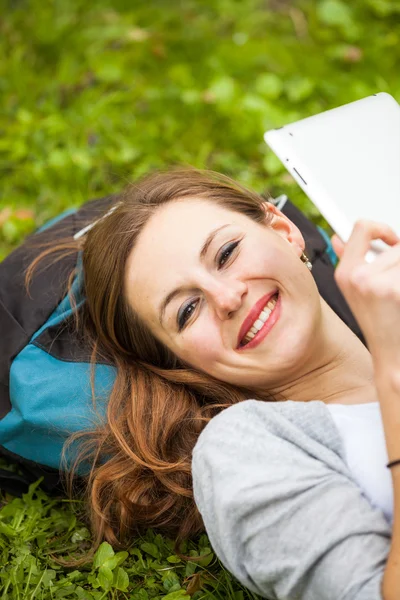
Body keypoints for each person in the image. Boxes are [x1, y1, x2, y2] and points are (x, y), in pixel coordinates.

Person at [32, 168, 400, 598]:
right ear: (181, 363)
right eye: (187, 311)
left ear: (284, 231)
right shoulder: (243, 448)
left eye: (226, 253)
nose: (227, 298)